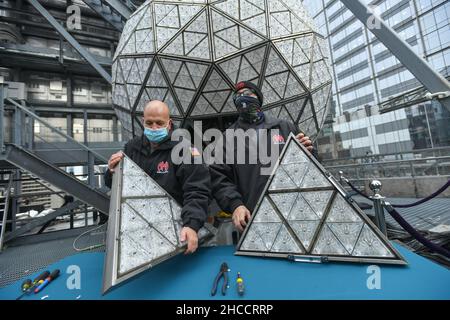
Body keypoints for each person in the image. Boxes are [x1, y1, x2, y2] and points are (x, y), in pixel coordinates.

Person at [105, 100, 211, 254]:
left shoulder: (185, 150)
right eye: (149, 123)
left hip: (177, 229)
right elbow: (117, 186)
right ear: (143, 122)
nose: (154, 128)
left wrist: (191, 224)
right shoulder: (132, 148)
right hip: (140, 229)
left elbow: (197, 190)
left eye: (159, 123)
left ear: (169, 124)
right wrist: (111, 171)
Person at [210, 81, 317, 232]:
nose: (242, 98)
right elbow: (218, 177)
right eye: (237, 96)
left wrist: (309, 154)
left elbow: (313, 167)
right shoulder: (227, 138)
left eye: (247, 94)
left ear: (258, 98)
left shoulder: (284, 127)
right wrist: (235, 205)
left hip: (292, 213)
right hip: (252, 219)